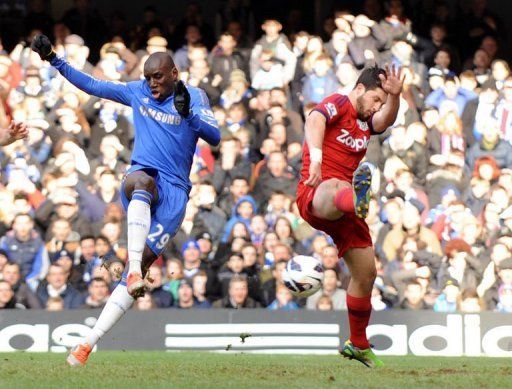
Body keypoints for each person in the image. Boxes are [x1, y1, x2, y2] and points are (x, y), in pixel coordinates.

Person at [29, 34, 220, 366]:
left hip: (175, 194)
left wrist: (188, 114)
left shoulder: (195, 97)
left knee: (142, 266)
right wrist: (52, 58)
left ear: (174, 73)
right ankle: (133, 269)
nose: (151, 83)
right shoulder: (138, 92)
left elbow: (215, 137)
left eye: (157, 77)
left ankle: (87, 345)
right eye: (147, 77)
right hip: (144, 178)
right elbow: (93, 85)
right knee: (138, 180)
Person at [296, 65, 404, 367]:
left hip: (349, 206)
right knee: (336, 185)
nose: (377, 107)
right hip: (318, 192)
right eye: (375, 100)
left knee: (367, 273)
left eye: (381, 103)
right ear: (359, 89)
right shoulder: (340, 103)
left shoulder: (367, 121)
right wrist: (316, 158)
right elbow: (315, 118)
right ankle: (353, 197)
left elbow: (385, 120)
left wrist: (394, 97)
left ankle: (357, 344)